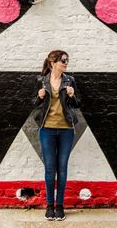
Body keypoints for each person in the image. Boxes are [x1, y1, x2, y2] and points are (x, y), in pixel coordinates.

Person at [32, 50, 81, 221]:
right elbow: (33, 103)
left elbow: (77, 104)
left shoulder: (70, 80)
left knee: (62, 168)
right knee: (49, 169)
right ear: (53, 63)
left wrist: (72, 95)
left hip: (67, 129)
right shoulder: (41, 81)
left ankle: (59, 206)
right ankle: (49, 206)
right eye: (63, 60)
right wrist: (39, 96)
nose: (66, 63)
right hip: (47, 129)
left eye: (67, 60)